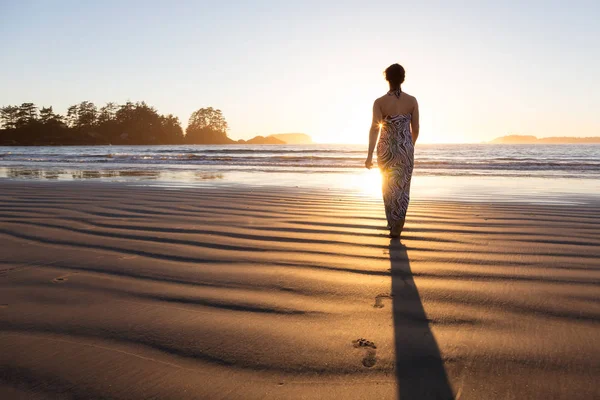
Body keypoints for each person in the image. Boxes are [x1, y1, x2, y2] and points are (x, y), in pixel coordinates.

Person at [365, 63, 419, 238]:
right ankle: (399, 222)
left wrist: (369, 155)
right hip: (406, 150)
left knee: (388, 186)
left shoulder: (379, 102)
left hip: (386, 150)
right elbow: (416, 129)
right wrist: (409, 146)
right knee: (403, 188)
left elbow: (375, 129)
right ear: (403, 78)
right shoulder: (412, 101)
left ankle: (392, 222)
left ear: (386, 78)